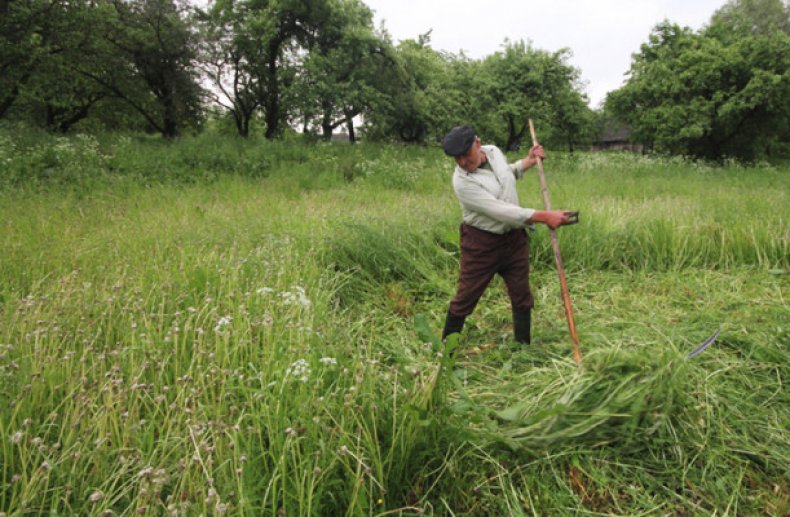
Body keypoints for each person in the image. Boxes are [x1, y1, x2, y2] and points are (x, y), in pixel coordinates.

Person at [441, 124, 576, 344]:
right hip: (481, 244)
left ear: (478, 143)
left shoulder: (493, 151)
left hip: (514, 241)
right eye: (457, 159)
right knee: (465, 298)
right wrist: (545, 216)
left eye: (465, 155)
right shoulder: (462, 182)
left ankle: (523, 347)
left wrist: (528, 162)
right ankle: (445, 351)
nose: (463, 162)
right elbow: (502, 211)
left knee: (522, 295)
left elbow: (506, 174)